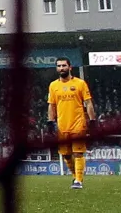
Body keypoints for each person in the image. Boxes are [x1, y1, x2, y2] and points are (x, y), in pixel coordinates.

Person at [47, 57, 95, 189]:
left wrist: (92, 120)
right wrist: (50, 121)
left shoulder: (80, 83)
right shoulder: (53, 86)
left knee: (78, 152)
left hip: (78, 124)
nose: (61, 68)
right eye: (59, 66)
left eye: (64, 65)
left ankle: (79, 181)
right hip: (62, 126)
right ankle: (75, 176)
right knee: (66, 155)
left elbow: (88, 102)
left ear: (70, 67)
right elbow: (51, 105)